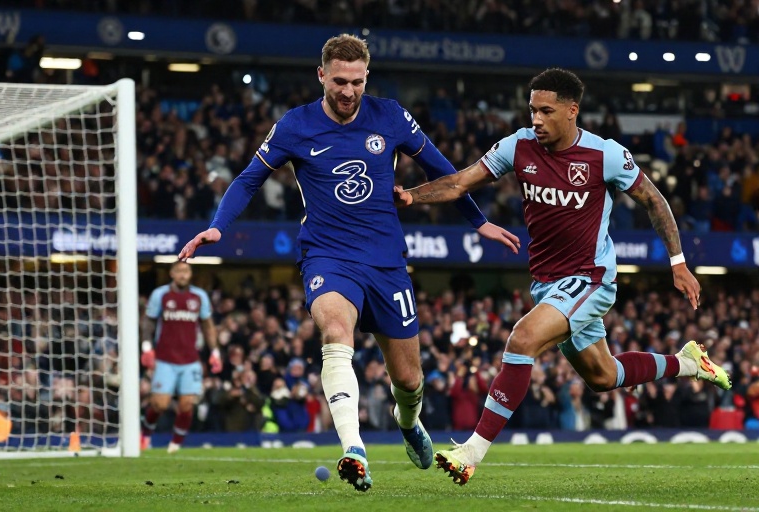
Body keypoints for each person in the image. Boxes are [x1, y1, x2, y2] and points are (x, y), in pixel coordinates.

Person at [178, 33, 519, 491]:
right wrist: (219, 224)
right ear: (321, 75)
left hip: (386, 262)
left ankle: (407, 421)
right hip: (327, 254)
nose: (347, 91)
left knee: (409, 379)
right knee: (335, 332)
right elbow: (249, 178)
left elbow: (442, 170)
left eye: (356, 81)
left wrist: (477, 223)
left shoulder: (391, 116)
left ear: (366, 77)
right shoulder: (295, 126)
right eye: (338, 81)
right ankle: (354, 448)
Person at [394, 67, 732, 485]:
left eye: (546, 111)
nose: (535, 119)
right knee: (602, 376)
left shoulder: (605, 154)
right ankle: (685, 363)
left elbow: (653, 199)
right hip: (547, 282)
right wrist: (412, 196)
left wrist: (678, 262)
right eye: (532, 109)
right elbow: (460, 183)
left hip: (590, 277)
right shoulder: (517, 146)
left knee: (522, 340)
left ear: (572, 111)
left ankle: (471, 452)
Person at [140, 261, 221, 453]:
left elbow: (207, 326)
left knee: (187, 404)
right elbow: (149, 322)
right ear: (172, 273)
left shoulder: (199, 296)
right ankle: (144, 436)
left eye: (186, 271)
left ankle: (175, 444)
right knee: (159, 404)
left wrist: (215, 351)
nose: (183, 275)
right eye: (179, 271)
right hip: (165, 358)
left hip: (190, 359)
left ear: (190, 274)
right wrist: (147, 347)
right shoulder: (160, 294)